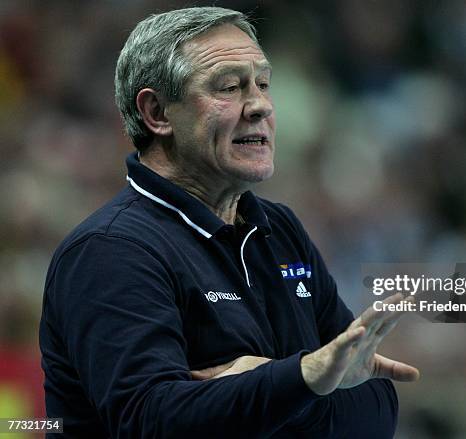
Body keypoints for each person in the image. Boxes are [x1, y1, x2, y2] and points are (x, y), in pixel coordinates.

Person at [39, 7, 419, 438]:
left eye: (262, 83)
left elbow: (375, 414)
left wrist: (285, 382)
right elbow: (152, 424)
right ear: (157, 112)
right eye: (229, 87)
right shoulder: (111, 251)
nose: (259, 106)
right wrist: (302, 382)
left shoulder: (280, 229)